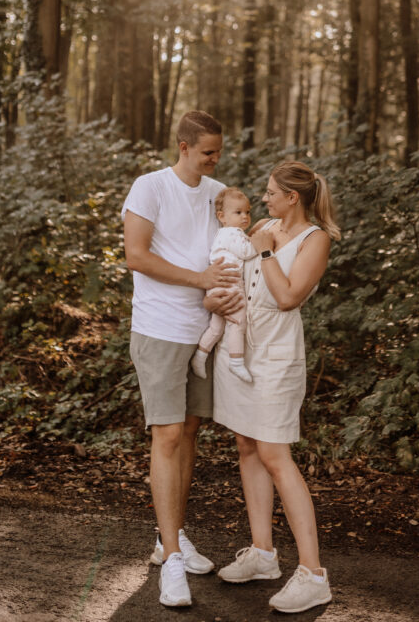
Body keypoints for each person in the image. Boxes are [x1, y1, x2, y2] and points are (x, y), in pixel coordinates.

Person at [122, 110, 242, 608]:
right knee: (167, 434)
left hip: (204, 334)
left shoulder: (218, 193)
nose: (216, 159)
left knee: (189, 433)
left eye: (219, 151)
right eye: (209, 151)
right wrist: (201, 281)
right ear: (184, 146)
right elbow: (136, 255)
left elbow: (236, 242)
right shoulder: (149, 187)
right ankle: (172, 559)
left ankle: (168, 537)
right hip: (159, 328)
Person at [213, 160, 340, 614]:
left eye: (270, 192)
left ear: (293, 197)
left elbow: (288, 297)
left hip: (277, 358)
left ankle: (313, 574)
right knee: (247, 446)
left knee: (275, 455)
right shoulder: (264, 225)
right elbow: (235, 274)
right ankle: (264, 553)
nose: (262, 199)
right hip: (241, 351)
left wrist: (265, 252)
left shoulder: (315, 239)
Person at [191, 187, 257, 384]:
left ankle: (200, 356)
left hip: (218, 287)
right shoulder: (231, 233)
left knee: (216, 327)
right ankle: (236, 361)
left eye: (247, 212)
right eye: (238, 212)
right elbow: (246, 252)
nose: (245, 217)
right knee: (238, 322)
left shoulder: (225, 233)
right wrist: (260, 242)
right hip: (230, 285)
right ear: (222, 216)